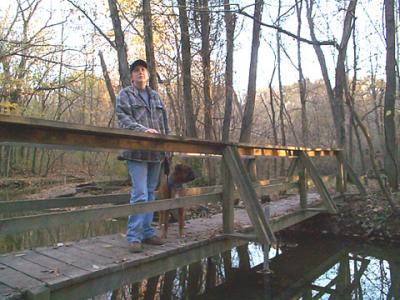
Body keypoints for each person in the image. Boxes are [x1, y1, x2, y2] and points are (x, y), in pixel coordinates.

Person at [116, 59, 169, 253]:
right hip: (135, 151)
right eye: (136, 70)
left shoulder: (155, 97)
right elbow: (123, 119)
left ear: (148, 75)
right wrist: (142, 130)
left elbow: (165, 124)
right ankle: (134, 236)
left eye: (143, 70)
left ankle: (147, 232)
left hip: (156, 154)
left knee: (150, 193)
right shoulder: (125, 95)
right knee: (139, 193)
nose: (140, 73)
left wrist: (167, 148)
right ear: (131, 75)